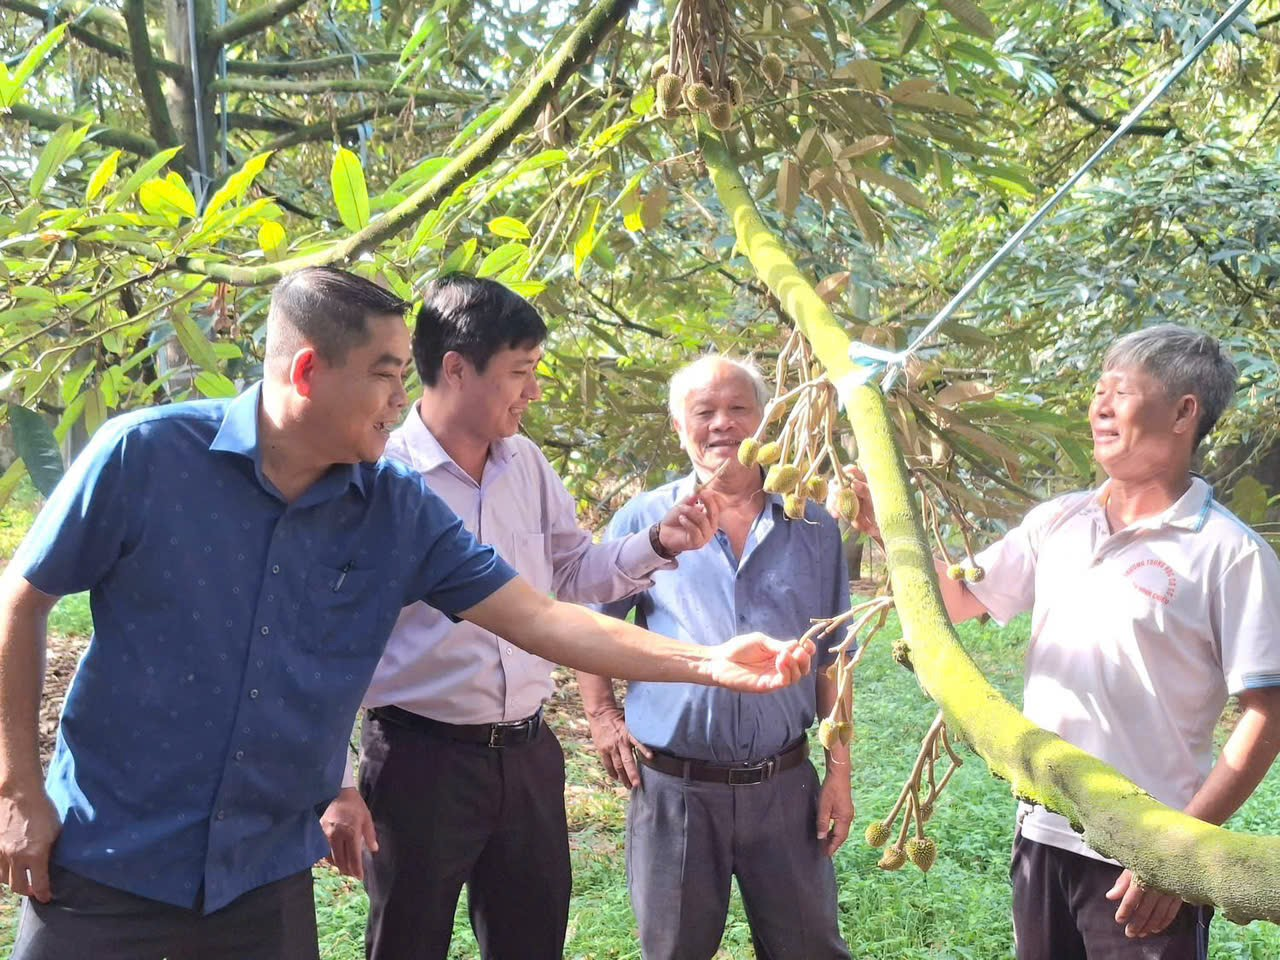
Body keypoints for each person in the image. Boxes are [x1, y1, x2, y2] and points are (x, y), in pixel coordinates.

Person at [0, 268, 814, 960]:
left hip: (260, 876)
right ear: (310, 371)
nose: (402, 398)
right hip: (108, 858)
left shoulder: (395, 506)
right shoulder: (145, 456)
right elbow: (22, 599)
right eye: (388, 375)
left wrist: (708, 663)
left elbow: (542, 615)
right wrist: (17, 789)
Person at [320, 275, 722, 960]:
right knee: (407, 943)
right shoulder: (383, 478)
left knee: (531, 940)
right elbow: (332, 640)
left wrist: (657, 543)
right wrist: (338, 780)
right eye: (520, 372)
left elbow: (573, 574)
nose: (533, 391)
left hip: (528, 757)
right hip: (422, 760)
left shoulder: (526, 465)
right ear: (455, 368)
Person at [849, 324, 1280, 960]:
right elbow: (961, 598)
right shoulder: (1060, 521)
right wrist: (886, 527)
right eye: (1097, 390)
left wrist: (1181, 848)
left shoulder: (1230, 554)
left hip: (1145, 856)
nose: (1099, 407)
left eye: (1121, 392)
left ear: (1185, 411)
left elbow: (1266, 715)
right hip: (1041, 828)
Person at [579, 355, 855, 960]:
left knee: (809, 949)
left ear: (765, 422)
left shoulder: (814, 525)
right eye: (705, 412)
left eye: (738, 410)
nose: (722, 425)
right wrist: (602, 718)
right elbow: (589, 625)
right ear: (681, 428)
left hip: (784, 788)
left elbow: (835, 656)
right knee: (674, 949)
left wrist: (838, 772)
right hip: (675, 790)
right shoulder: (646, 521)